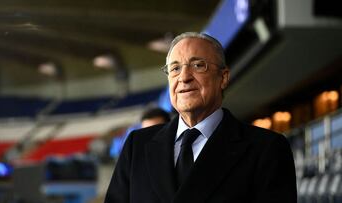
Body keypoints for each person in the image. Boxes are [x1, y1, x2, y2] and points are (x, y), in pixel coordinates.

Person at [105, 32, 297, 203]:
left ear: (223, 78)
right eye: (175, 68)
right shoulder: (136, 146)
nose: (184, 77)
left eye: (198, 65)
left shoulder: (266, 149)